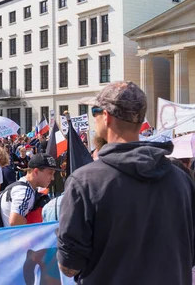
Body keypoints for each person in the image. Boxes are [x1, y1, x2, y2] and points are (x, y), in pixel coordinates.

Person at [57, 81, 195, 284]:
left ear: (106, 117)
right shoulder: (181, 178)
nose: (93, 117)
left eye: (95, 111)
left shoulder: (84, 182)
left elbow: (69, 265)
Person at [0, 154, 57, 227]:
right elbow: (15, 221)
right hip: (14, 237)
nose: (52, 178)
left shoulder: (23, 186)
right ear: (36, 172)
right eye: (50, 173)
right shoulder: (24, 191)